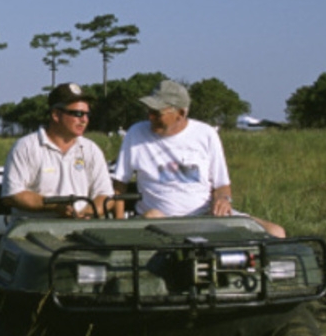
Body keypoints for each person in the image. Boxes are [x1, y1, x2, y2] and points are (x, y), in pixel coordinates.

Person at [111, 80, 286, 238]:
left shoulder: (206, 134)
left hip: (205, 217)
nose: (150, 117)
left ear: (181, 113)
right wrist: (119, 227)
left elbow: (222, 186)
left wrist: (223, 200)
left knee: (276, 232)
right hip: (158, 220)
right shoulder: (136, 134)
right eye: (149, 111)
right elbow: (120, 185)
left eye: (157, 113)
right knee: (153, 215)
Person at [1, 83, 115, 218]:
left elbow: (106, 195)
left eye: (87, 114)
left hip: (81, 227)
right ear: (56, 115)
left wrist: (84, 213)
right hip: (34, 228)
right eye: (77, 114)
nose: (84, 120)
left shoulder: (91, 150)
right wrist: (54, 206)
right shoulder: (26, 147)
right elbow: (12, 194)